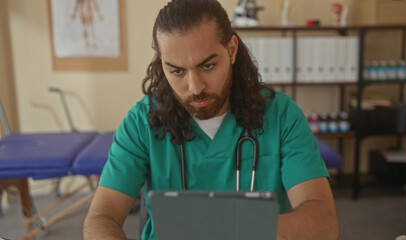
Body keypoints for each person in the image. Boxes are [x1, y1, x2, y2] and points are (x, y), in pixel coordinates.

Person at [83, 0, 339, 239]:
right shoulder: (142, 123)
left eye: (207, 66)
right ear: (162, 65)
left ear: (232, 50)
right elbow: (100, 218)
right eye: (177, 71)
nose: (195, 87)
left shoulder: (282, 116)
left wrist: (231, 226)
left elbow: (323, 222)